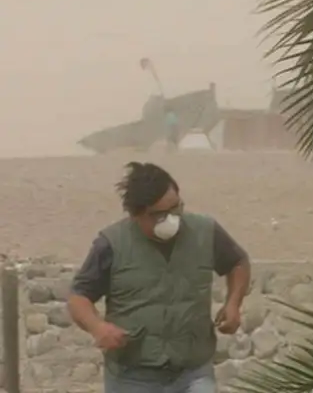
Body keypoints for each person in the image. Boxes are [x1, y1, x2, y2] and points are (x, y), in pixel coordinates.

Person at [67, 162, 251, 393]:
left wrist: (233, 304)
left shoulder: (205, 231)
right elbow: (79, 297)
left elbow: (238, 263)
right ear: (137, 215)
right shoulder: (111, 244)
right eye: (160, 215)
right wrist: (98, 327)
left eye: (176, 208)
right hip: (132, 376)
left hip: (193, 371)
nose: (172, 219)